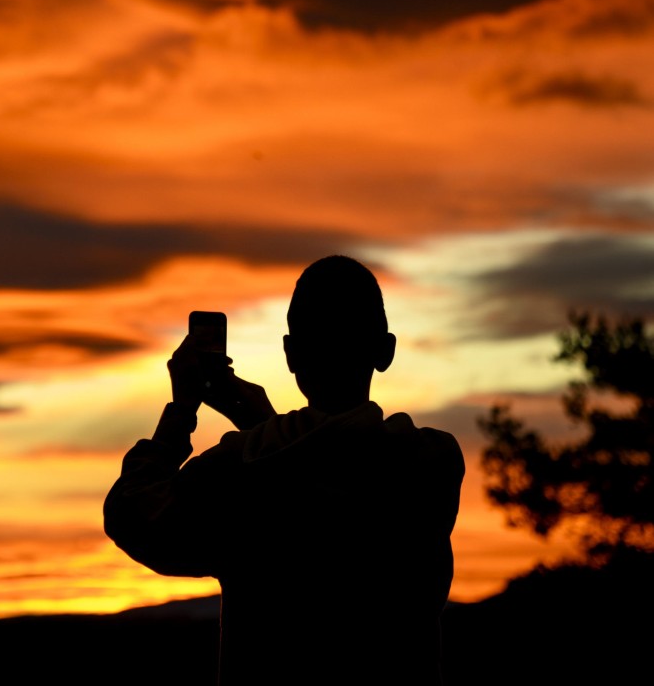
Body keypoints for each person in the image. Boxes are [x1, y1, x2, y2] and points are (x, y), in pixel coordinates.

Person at [103, 255, 465, 685]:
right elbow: (329, 468)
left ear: (291, 355)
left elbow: (130, 514)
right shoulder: (431, 462)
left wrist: (182, 412)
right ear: (385, 351)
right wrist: (265, 426)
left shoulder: (237, 470)